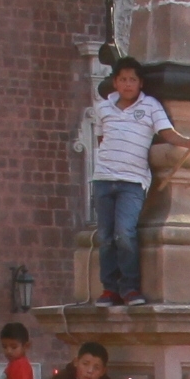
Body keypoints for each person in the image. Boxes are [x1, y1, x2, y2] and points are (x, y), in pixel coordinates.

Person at [80, 58, 175, 305]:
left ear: (140, 83)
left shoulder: (151, 106)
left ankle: (129, 287)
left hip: (132, 182)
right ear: (115, 82)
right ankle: (109, 288)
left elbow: (166, 132)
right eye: (123, 79)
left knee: (125, 233)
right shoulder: (103, 107)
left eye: (132, 79)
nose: (127, 84)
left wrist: (188, 141)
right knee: (105, 236)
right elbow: (102, 138)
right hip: (103, 179)